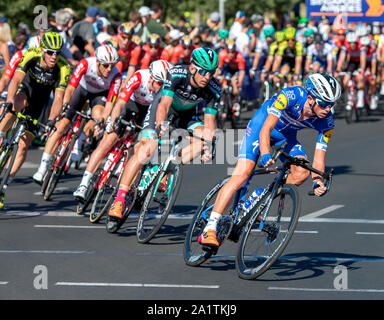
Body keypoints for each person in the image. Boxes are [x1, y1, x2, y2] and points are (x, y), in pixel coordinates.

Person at [199, 73, 341, 249]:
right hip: (262, 126)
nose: (329, 109)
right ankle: (210, 228)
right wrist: (265, 153)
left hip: (286, 137)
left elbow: (319, 158)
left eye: (332, 104)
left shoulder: (327, 122)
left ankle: (259, 196)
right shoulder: (290, 95)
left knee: (302, 172)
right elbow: (266, 128)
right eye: (325, 103)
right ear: (311, 98)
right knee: (241, 175)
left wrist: (317, 181)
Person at [106, 47, 220, 229]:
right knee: (146, 148)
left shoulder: (214, 89)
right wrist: (161, 126)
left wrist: (208, 145)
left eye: (212, 72)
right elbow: (164, 105)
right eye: (204, 71)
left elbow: (209, 121)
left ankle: (169, 166)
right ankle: (119, 199)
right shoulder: (176, 74)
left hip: (187, 117)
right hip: (163, 110)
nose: (208, 76)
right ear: (193, 68)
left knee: (203, 142)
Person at [72, 60, 171, 201]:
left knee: (140, 150)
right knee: (108, 140)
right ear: (151, 78)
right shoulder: (139, 77)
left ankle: (123, 189)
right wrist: (113, 121)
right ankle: (84, 184)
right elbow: (120, 102)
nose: (161, 88)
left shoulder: (165, 92)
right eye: (159, 84)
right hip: (130, 104)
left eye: (164, 85)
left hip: (148, 112)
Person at [32, 44, 121, 184]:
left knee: (98, 116)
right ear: (97, 61)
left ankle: (81, 138)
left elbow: (110, 103)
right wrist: (65, 105)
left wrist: (103, 120)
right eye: (105, 65)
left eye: (112, 65)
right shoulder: (86, 63)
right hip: (82, 88)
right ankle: (42, 167)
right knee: (61, 125)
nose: (109, 69)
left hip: (99, 95)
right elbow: (70, 88)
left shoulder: (116, 75)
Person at [0, 32, 70, 205]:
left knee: (23, 147)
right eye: (50, 52)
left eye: (58, 52)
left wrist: (52, 120)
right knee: (17, 103)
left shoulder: (63, 67)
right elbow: (16, 80)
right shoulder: (31, 55)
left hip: (40, 103)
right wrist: (9, 101)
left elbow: (59, 98)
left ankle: (3, 186)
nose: (54, 56)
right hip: (26, 90)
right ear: (42, 50)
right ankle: (1, 134)